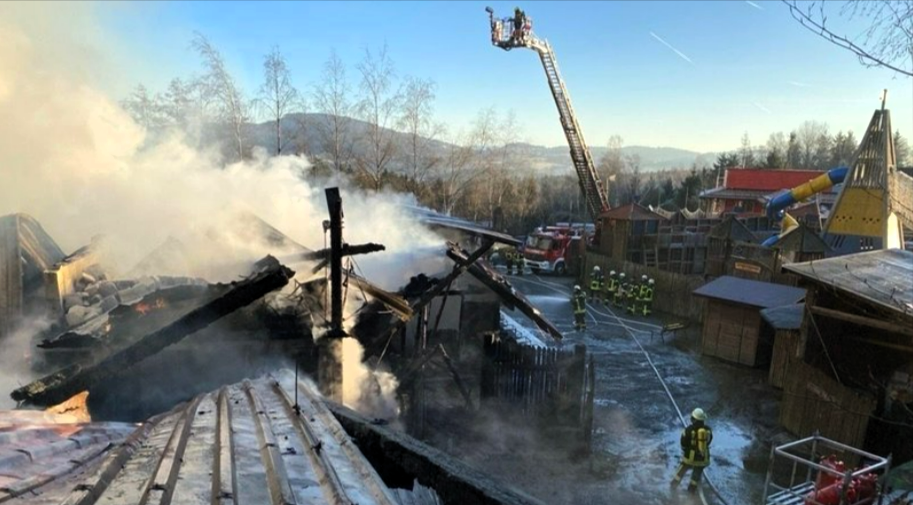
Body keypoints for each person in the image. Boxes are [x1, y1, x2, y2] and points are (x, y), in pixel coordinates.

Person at [672, 408, 713, 493]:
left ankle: (673, 487)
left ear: (693, 419)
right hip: (703, 458)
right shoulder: (708, 430)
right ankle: (691, 492)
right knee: (696, 476)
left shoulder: (688, 430)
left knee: (681, 471)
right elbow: (708, 442)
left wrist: (685, 451)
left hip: (689, 458)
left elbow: (683, 443)